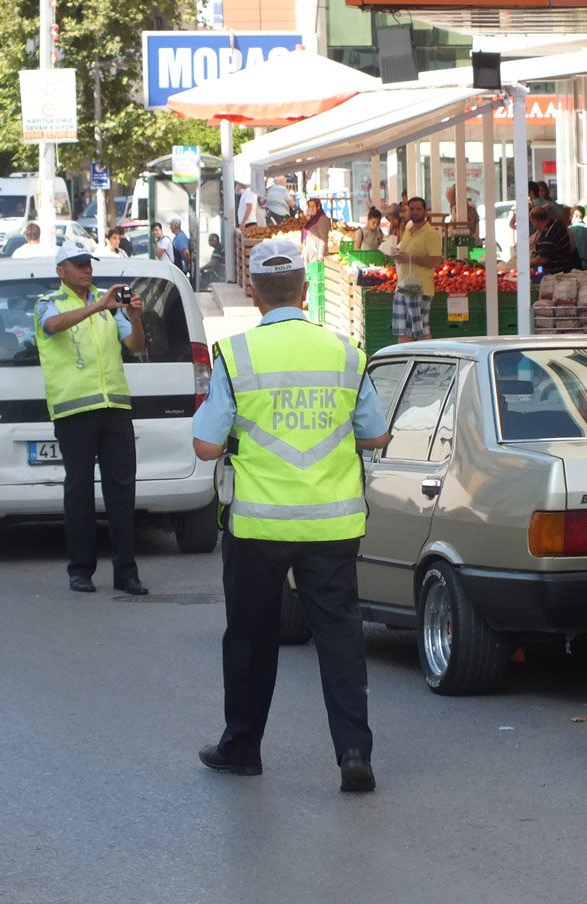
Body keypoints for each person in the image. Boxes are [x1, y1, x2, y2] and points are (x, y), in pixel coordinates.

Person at [191, 238, 391, 792]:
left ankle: (242, 747)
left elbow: (206, 448)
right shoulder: (347, 353)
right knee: (341, 638)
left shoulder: (235, 355)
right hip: (332, 524)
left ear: (255, 295)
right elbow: (375, 435)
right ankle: (354, 753)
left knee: (250, 638)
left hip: (258, 525)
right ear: (305, 292)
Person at [33, 238, 149, 596]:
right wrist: (98, 305)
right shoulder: (47, 302)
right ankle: (80, 570)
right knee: (79, 490)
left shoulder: (112, 306)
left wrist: (133, 317)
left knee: (121, 491)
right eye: (78, 263)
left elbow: (136, 346)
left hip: (113, 406)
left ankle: (126, 573)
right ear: (61, 271)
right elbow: (52, 326)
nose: (86, 269)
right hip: (74, 409)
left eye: (89, 263)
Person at [392, 196, 442, 342]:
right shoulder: (408, 231)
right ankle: (406, 360)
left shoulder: (431, 234)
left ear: (425, 211)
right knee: (402, 330)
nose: (414, 212)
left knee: (421, 330)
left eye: (418, 209)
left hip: (420, 288)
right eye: (411, 209)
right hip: (402, 285)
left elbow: (436, 261)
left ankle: (427, 361)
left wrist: (410, 259)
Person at [529, 205, 578, 274]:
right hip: (568, 265)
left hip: (558, 274)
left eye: (533, 222)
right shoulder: (558, 223)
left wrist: (529, 262)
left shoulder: (547, 236)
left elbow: (542, 260)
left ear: (536, 221)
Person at [301, 198, 330, 264]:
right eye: (309, 206)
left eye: (313, 206)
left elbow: (324, 238)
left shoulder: (322, 219)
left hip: (316, 255)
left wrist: (320, 254)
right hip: (310, 254)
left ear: (318, 206)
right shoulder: (312, 220)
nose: (311, 208)